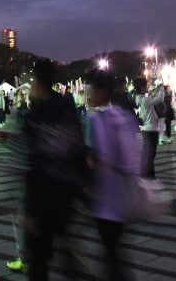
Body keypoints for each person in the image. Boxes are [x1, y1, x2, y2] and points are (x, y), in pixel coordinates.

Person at [21, 60, 84, 280]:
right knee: (66, 247)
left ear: (37, 83)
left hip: (43, 196)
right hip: (67, 191)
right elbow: (79, 149)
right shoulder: (69, 109)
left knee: (38, 260)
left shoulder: (32, 117)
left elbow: (32, 163)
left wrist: (30, 209)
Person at [82, 70, 140, 281]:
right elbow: (134, 155)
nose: (90, 93)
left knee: (111, 251)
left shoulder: (99, 119)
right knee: (115, 248)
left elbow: (101, 156)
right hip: (125, 194)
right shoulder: (123, 116)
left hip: (106, 197)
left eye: (92, 89)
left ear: (101, 91)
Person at [134, 77, 164, 178]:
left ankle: (144, 171)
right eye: (145, 86)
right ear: (142, 88)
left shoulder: (139, 98)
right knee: (151, 154)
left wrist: (154, 89)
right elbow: (160, 99)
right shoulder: (145, 100)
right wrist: (161, 88)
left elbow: (150, 96)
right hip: (151, 128)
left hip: (145, 128)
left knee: (146, 152)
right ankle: (149, 174)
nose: (147, 87)